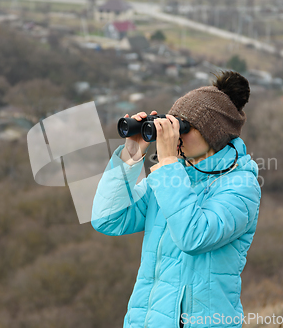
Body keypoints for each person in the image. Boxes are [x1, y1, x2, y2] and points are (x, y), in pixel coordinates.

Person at [91, 70, 261, 328]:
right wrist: (131, 156)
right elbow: (107, 219)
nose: (175, 136)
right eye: (171, 125)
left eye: (183, 127)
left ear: (214, 133)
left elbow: (194, 237)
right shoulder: (172, 178)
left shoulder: (241, 185)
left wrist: (169, 164)